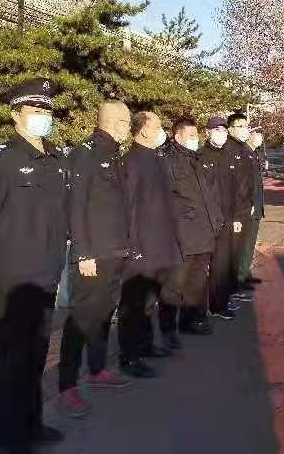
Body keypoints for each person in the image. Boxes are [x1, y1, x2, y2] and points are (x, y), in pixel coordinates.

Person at [0, 78, 67, 454]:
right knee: (12, 358)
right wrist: (7, 254)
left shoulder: (55, 159)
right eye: (35, 110)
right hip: (15, 275)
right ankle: (8, 435)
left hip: (48, 273)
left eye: (47, 111)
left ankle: (31, 424)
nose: (43, 117)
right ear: (16, 115)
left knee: (37, 353)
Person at [57, 101, 136, 419]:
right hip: (94, 254)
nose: (129, 127)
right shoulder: (85, 154)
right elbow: (76, 206)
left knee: (104, 313)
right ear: (115, 123)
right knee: (82, 318)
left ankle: (97, 368)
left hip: (115, 250)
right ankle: (66, 386)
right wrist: (83, 253)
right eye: (127, 121)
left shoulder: (114, 154)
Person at [122, 111, 185, 372]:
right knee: (135, 303)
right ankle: (129, 355)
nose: (162, 132)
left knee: (150, 300)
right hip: (142, 246)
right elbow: (129, 207)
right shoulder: (133, 162)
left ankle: (146, 344)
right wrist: (134, 246)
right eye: (158, 126)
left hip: (161, 243)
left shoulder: (156, 158)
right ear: (145, 130)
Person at [158, 117, 223, 337]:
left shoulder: (197, 159)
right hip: (183, 234)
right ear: (178, 136)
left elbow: (209, 195)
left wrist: (216, 221)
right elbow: (164, 198)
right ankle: (167, 327)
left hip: (203, 232)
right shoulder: (168, 160)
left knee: (197, 281)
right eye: (191, 135)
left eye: (197, 135)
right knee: (174, 283)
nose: (196, 139)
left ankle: (194, 319)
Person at [198, 117, 240, 320]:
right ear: (208, 132)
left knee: (221, 264)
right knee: (201, 266)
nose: (221, 133)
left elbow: (234, 189)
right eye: (216, 129)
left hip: (226, 219)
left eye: (223, 130)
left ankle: (219, 304)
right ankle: (197, 308)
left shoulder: (228, 156)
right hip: (206, 219)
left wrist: (235, 217)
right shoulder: (200, 156)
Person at [224, 113, 257, 299]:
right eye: (240, 126)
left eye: (246, 126)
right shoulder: (228, 150)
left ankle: (235, 286)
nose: (245, 130)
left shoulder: (243, 149)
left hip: (245, 208)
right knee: (231, 252)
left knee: (240, 250)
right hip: (234, 211)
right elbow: (230, 186)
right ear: (230, 129)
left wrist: (251, 203)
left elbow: (248, 182)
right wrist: (235, 213)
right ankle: (229, 289)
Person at [243, 131, 266, 285]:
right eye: (256, 133)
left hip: (256, 206)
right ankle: (241, 275)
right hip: (248, 207)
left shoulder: (255, 154)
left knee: (250, 243)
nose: (259, 138)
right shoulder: (244, 154)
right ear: (249, 136)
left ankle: (246, 273)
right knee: (245, 243)